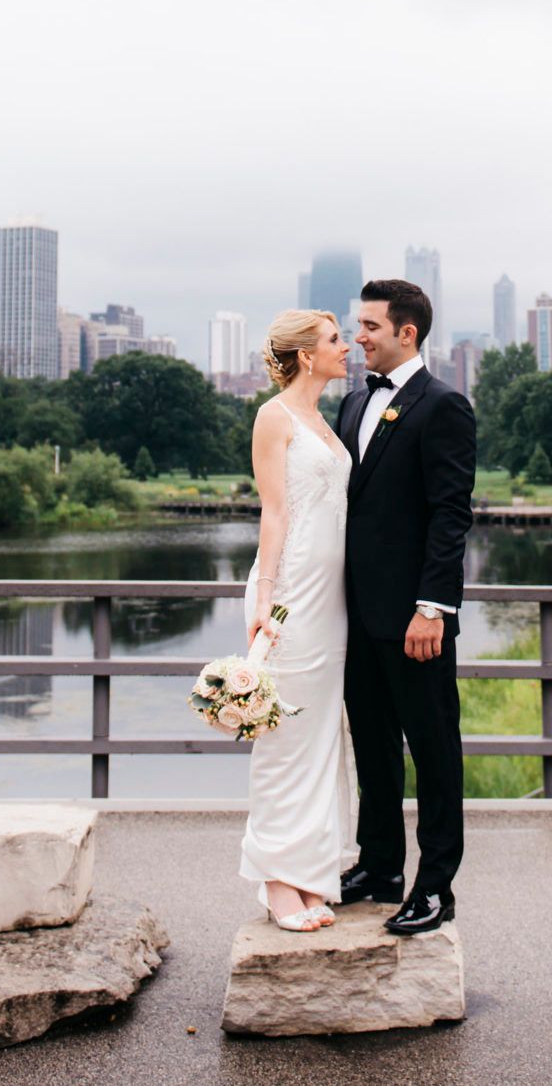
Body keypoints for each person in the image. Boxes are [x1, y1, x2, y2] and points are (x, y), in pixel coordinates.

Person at [338, 278, 477, 937]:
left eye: (368, 326)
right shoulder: (348, 406)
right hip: (356, 617)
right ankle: (381, 866)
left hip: (415, 617)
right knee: (373, 746)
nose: (357, 337)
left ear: (406, 333)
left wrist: (433, 608)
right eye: (357, 326)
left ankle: (435, 886)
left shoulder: (443, 406)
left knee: (432, 748)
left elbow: (451, 515)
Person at [237, 309, 357, 932]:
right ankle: (277, 881)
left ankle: (311, 875)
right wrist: (265, 604)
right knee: (283, 739)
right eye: (337, 341)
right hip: (290, 597)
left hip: (331, 599)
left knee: (320, 739)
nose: (349, 348)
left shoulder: (327, 420)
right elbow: (275, 515)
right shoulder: (273, 417)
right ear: (307, 355)